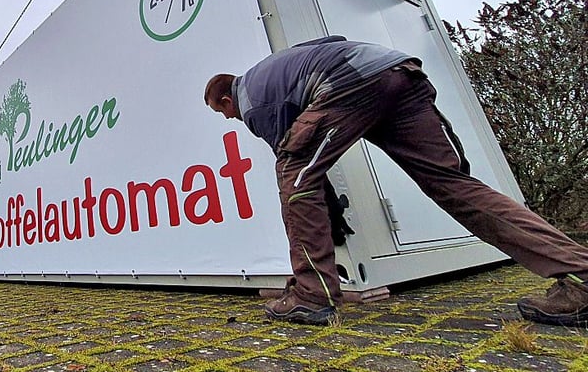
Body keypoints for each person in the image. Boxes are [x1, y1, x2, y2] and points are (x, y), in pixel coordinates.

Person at [204, 35, 588, 326]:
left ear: (225, 99)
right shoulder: (276, 66)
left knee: (293, 184)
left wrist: (327, 216)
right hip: (400, 74)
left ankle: (310, 295)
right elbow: (334, 43)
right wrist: (332, 213)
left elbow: (299, 174)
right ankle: (580, 275)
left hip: (350, 84)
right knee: (451, 184)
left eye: (222, 113)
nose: (228, 119)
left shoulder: (252, 102)